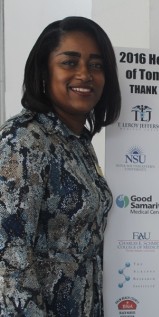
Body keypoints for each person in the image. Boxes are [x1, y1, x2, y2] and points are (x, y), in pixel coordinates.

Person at [0, 16, 121, 316]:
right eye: (70, 62)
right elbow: (8, 257)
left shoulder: (76, 142)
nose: (85, 74)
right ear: (44, 71)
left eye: (96, 65)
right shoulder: (23, 140)